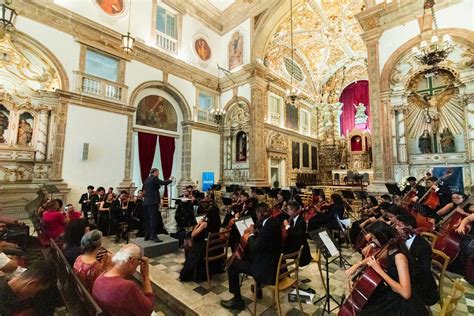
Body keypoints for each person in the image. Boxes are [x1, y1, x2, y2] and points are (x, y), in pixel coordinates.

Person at [345, 221, 428, 316]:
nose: (372, 241)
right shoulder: (389, 247)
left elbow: (406, 293)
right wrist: (357, 265)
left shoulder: (399, 257)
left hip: (401, 304)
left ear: (382, 237)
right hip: (391, 291)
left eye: (375, 238)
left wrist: (379, 271)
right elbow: (375, 257)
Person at [220, 203, 282, 311]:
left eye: (257, 215)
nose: (257, 217)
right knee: (245, 256)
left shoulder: (267, 228)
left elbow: (255, 247)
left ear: (259, 213)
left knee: (232, 264)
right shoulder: (274, 222)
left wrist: (252, 234)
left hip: (265, 269)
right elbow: (265, 242)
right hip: (272, 262)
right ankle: (257, 288)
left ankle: (237, 301)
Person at [92, 244, 154, 316]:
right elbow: (148, 309)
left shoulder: (100, 278)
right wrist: (146, 277)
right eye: (138, 262)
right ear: (132, 261)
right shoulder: (127, 286)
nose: (138, 265)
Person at [395, 214, 439, 307]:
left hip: (420, 286)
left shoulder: (423, 246)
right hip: (409, 279)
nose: (396, 228)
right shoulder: (401, 239)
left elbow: (424, 270)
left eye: (399, 225)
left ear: (409, 228)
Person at [179, 201, 222, 282]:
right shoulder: (218, 221)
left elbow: (193, 234)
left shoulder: (205, 224)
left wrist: (198, 224)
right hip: (215, 246)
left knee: (190, 244)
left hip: (206, 247)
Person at [142, 168, 173, 242]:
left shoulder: (147, 179)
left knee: (148, 219)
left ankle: (147, 235)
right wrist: (170, 179)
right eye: (158, 172)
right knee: (153, 219)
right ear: (155, 172)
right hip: (153, 202)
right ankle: (153, 235)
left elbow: (149, 189)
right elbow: (163, 183)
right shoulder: (154, 178)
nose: (158, 174)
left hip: (146, 202)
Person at [283, 201, 311, 267]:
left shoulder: (301, 221)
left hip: (299, 249)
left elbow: (297, 236)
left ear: (293, 210)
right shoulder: (293, 218)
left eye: (288, 209)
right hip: (294, 244)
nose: (287, 211)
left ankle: (282, 272)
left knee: (278, 253)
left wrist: (287, 226)